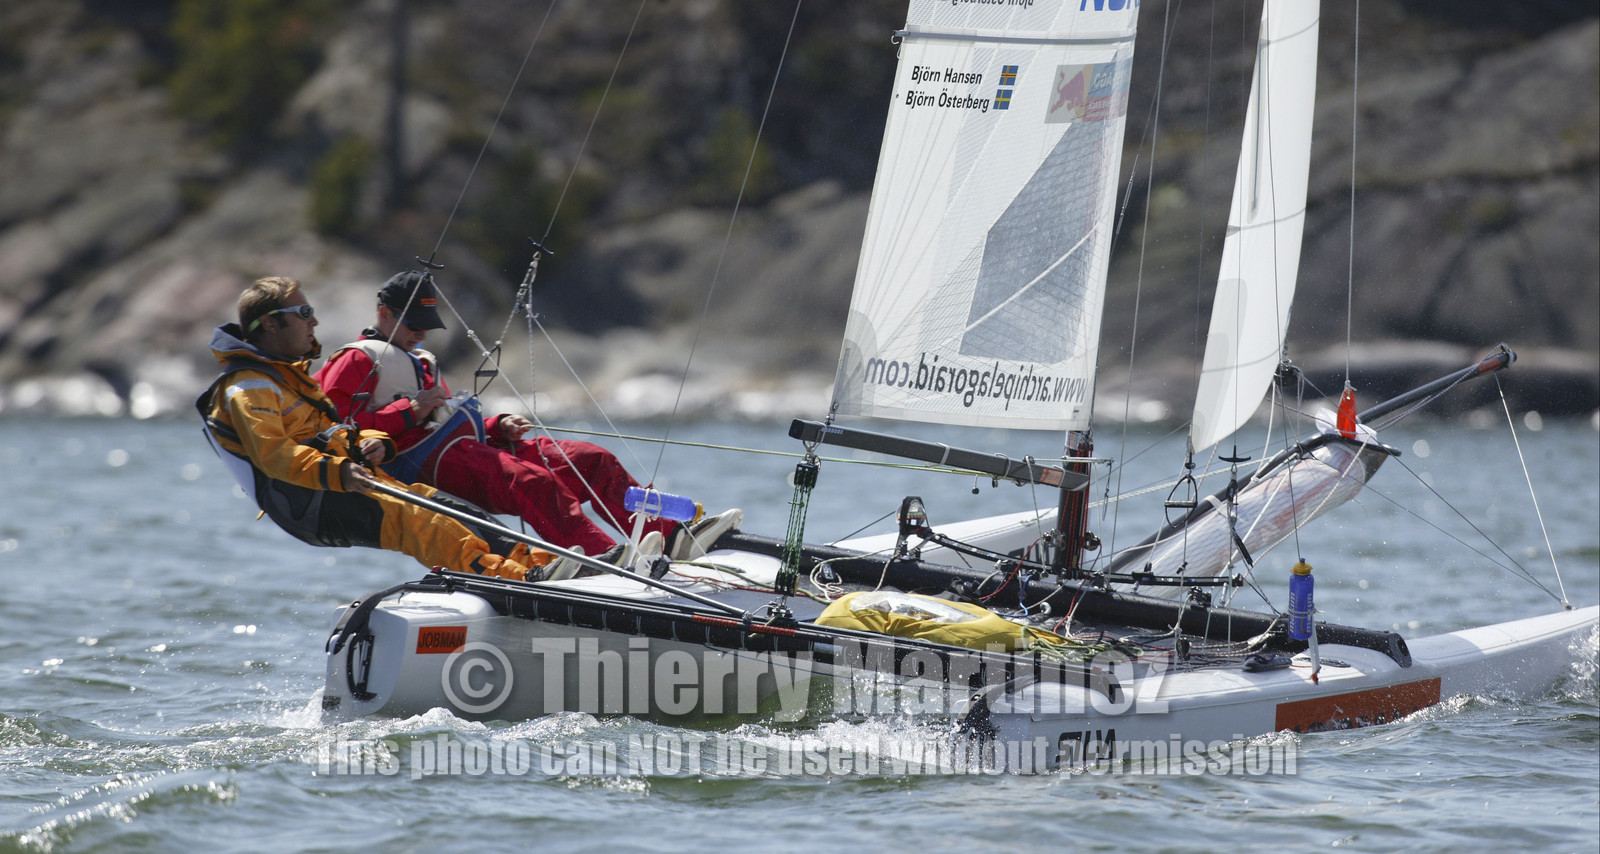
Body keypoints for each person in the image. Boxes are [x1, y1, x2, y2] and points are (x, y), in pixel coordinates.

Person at [314, 270, 742, 563]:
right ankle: (602, 560)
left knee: (590, 458)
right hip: (428, 466)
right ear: (383, 313)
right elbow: (338, 431)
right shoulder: (354, 361)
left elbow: (442, 413)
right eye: (413, 322)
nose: (423, 332)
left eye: (427, 323)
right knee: (533, 483)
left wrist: (495, 426)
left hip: (471, 447)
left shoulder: (419, 359)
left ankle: (668, 534)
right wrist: (407, 411)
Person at [199, 275, 550, 581]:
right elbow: (275, 455)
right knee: (420, 522)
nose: (315, 321)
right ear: (271, 325)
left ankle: (547, 566)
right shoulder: (246, 387)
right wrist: (340, 471)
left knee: (457, 511)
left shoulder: (288, 377)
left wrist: (378, 442)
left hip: (346, 481)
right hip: (310, 502)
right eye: (304, 313)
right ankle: (523, 580)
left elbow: (337, 430)